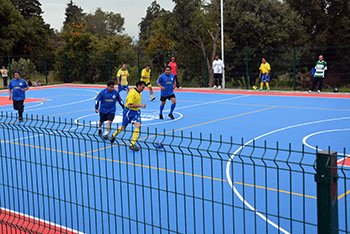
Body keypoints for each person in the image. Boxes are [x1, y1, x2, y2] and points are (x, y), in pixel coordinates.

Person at [110, 81, 147, 151]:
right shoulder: (132, 93)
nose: (143, 89)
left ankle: (132, 144)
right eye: (142, 87)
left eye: (144, 87)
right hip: (129, 111)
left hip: (136, 112)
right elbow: (129, 105)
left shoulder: (139, 92)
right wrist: (141, 105)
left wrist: (139, 107)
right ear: (138, 86)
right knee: (123, 127)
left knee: (138, 126)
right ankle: (114, 135)